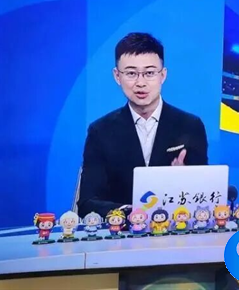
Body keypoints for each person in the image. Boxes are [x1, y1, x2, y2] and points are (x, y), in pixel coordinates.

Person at [77, 33, 208, 218]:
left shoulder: (190, 126)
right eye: (131, 73)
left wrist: (184, 182)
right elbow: (87, 202)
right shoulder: (100, 131)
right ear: (117, 76)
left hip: (175, 229)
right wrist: (131, 213)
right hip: (121, 232)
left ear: (163, 75)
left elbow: (204, 195)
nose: (140, 83)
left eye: (149, 73)